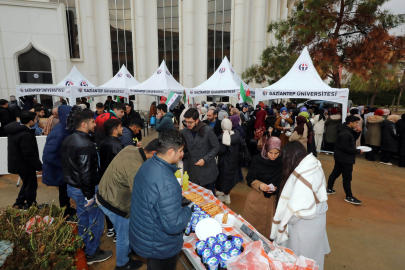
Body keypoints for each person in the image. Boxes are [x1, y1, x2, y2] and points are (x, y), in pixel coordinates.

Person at [129, 130, 193, 270]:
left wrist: (178, 199)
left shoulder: (148, 164)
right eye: (181, 151)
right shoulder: (168, 183)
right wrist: (188, 210)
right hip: (159, 245)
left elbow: (153, 196)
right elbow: (174, 226)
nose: (183, 154)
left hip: (144, 232)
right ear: (171, 151)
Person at [97, 139, 159, 270]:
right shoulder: (135, 168)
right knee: (123, 236)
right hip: (114, 204)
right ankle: (122, 264)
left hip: (105, 193)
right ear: (154, 153)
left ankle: (127, 253)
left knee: (126, 233)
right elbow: (141, 196)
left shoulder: (131, 148)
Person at [61, 110, 112, 264]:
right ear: (84, 124)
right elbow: (86, 172)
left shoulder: (67, 140)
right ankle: (92, 253)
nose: (95, 124)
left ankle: (84, 245)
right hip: (85, 189)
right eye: (92, 121)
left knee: (83, 218)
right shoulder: (86, 144)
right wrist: (89, 195)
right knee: (95, 220)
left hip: (73, 188)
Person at [270, 141, 330, 270]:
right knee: (314, 257)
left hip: (303, 229)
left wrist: (284, 218)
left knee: (299, 260)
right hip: (317, 222)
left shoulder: (303, 177)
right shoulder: (313, 164)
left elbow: (295, 215)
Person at [243, 135, 282, 237]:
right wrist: (260, 185)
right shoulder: (257, 160)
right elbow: (249, 178)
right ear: (265, 150)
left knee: (265, 233)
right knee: (251, 231)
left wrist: (276, 189)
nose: (273, 156)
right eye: (270, 153)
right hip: (256, 198)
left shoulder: (281, 163)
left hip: (271, 201)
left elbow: (283, 181)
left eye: (276, 153)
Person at [42, 105, 76, 219]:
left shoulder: (67, 128)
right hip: (60, 168)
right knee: (63, 191)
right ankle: (65, 214)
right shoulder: (59, 131)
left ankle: (67, 210)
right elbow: (48, 155)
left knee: (66, 191)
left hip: (63, 167)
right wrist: (64, 165)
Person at [5, 111, 42, 209]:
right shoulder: (26, 134)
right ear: (31, 121)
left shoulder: (15, 131)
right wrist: (39, 166)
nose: (37, 120)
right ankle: (31, 206)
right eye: (35, 119)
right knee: (31, 186)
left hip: (19, 163)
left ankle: (19, 202)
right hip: (25, 165)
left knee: (27, 183)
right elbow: (29, 154)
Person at [181, 108, 220, 195]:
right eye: (186, 122)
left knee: (210, 196)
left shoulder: (207, 130)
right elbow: (184, 148)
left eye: (190, 122)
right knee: (195, 196)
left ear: (197, 120)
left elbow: (216, 147)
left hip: (207, 168)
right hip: (192, 169)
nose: (187, 124)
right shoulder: (184, 132)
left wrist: (205, 159)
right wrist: (181, 152)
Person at [327, 115, 363, 205]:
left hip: (340, 157)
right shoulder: (345, 133)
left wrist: (358, 132)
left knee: (335, 173)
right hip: (344, 158)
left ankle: (329, 188)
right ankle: (349, 196)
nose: (357, 124)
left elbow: (352, 138)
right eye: (356, 123)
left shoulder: (346, 130)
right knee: (347, 178)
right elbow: (345, 147)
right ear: (351, 123)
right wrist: (357, 151)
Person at [215, 119, 246, 204]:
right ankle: (224, 192)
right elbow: (242, 145)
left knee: (224, 178)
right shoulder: (236, 134)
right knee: (229, 178)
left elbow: (221, 151)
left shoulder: (222, 137)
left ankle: (226, 197)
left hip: (224, 162)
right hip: (233, 161)